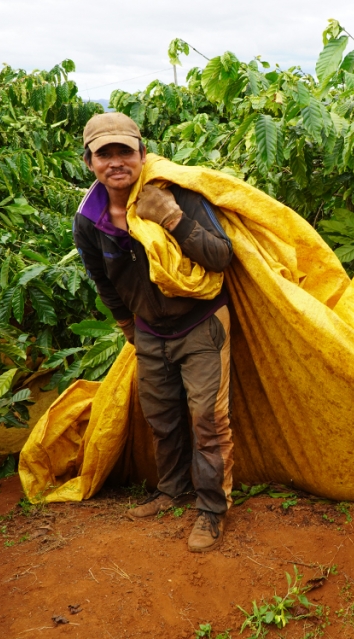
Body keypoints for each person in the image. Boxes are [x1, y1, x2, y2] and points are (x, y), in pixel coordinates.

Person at [73, 112, 235, 552]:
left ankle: (211, 510)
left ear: (143, 154)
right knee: (161, 418)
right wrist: (127, 324)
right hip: (148, 331)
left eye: (124, 151)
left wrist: (173, 219)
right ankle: (172, 490)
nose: (116, 162)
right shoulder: (88, 221)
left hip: (200, 324)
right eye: (104, 154)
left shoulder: (175, 194)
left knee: (207, 419)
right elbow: (101, 279)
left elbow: (222, 257)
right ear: (89, 162)